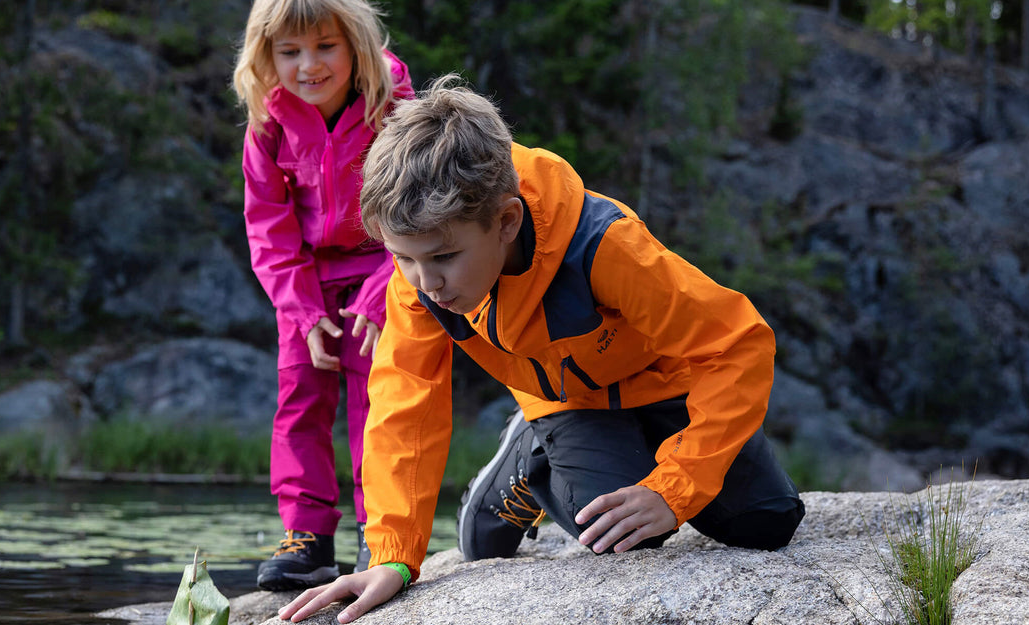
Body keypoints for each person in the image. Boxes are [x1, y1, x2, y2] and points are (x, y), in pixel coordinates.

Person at [279, 75, 805, 623]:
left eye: (442, 257)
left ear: (506, 220)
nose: (425, 282)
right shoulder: (420, 276)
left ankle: (577, 454)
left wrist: (673, 487)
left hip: (666, 383)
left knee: (767, 522)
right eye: (404, 258)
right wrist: (393, 556)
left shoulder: (605, 246)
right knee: (618, 536)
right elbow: (404, 405)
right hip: (568, 401)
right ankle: (532, 450)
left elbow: (737, 346)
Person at [231, 0, 414, 591]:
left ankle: (377, 530)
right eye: (289, 52)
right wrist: (304, 313)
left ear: (355, 43)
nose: (309, 65)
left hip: (385, 268)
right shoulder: (268, 123)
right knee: (299, 403)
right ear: (267, 56)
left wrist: (383, 292)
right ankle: (307, 538)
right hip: (304, 281)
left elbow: (417, 210)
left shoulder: (396, 109)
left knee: (377, 401)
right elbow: (269, 229)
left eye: (325, 47)